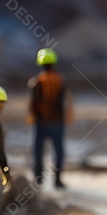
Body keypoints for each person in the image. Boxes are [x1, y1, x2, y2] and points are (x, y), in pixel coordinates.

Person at [28, 48, 71, 187]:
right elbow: (65, 100)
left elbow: (33, 103)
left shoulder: (36, 82)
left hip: (41, 122)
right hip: (57, 122)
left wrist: (32, 116)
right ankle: (57, 180)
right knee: (58, 151)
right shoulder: (60, 80)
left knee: (39, 150)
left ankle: (38, 178)